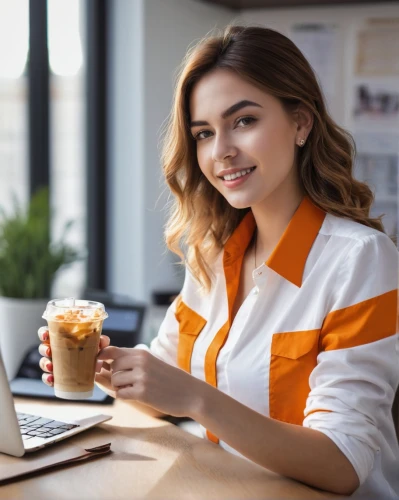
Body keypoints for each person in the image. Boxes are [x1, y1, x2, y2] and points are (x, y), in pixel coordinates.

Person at [38, 25, 399, 497]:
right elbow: (163, 381)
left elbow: (342, 463)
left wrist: (194, 398)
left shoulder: (361, 260)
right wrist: (109, 367)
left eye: (244, 121)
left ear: (301, 123)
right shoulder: (213, 254)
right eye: (204, 133)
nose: (221, 150)